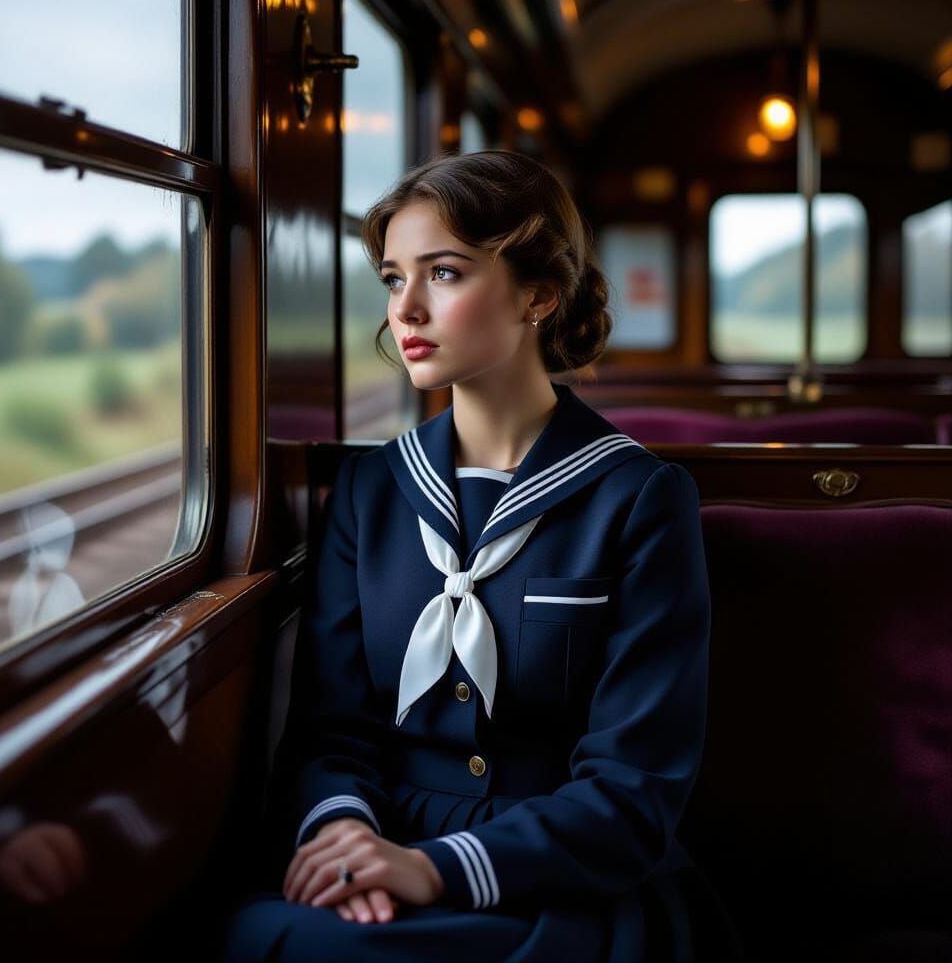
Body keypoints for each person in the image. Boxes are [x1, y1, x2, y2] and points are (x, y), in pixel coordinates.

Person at [218, 150, 745, 961]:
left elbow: (635, 787)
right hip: (380, 851)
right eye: (395, 279)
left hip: (563, 876)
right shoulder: (371, 491)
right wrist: (346, 842)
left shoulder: (636, 498)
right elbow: (333, 736)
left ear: (539, 293)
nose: (408, 310)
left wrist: (434, 871)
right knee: (265, 937)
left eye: (446, 274)